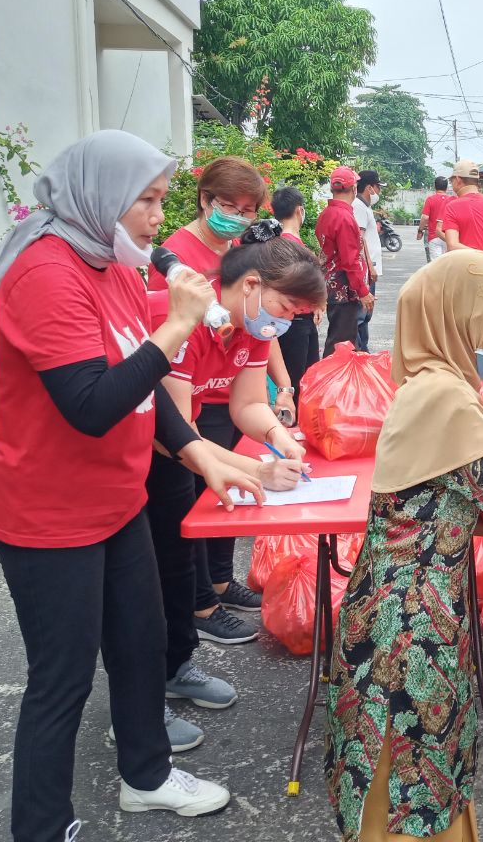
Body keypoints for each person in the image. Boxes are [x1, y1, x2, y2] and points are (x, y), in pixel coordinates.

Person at [0, 130, 263, 840]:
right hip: (49, 517)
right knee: (62, 680)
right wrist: (176, 329)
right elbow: (92, 403)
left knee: (139, 643)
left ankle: (148, 776)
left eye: (162, 199)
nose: (155, 218)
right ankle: (42, 827)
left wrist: (200, 452)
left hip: (117, 501)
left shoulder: (109, 267)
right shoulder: (46, 273)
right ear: (96, 196)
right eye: (145, 200)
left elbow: (145, 395)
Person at [324, 250, 483, 842]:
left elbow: (452, 490)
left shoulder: (427, 381)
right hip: (411, 622)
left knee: (418, 756)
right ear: (456, 317)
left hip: (404, 605)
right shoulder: (446, 395)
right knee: (413, 760)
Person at [145, 218, 324, 748]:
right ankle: (143, 700)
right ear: (252, 286)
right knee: (146, 586)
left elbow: (247, 404)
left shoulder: (247, 328)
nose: (286, 324)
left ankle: (178, 668)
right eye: (286, 310)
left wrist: (279, 437)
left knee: (178, 574)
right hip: (147, 461)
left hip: (185, 460)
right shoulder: (181, 320)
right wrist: (257, 470)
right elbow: (175, 433)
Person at [147, 157, 296, 633]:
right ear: (205, 200)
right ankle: (200, 604)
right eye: (230, 206)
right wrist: (262, 468)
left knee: (226, 494)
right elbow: (172, 337)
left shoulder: (240, 250)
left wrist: (281, 388)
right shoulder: (175, 259)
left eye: (250, 210)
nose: (240, 217)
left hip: (228, 388)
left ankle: (218, 581)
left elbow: (260, 328)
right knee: (191, 497)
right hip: (185, 386)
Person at [272, 185, 324, 396]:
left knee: (301, 380)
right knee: (297, 382)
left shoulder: (278, 243)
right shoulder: (290, 245)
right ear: (299, 210)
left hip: (299, 320)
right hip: (296, 322)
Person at [317, 166, 374, 356]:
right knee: (340, 345)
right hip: (344, 290)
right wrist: (363, 291)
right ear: (354, 189)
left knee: (343, 339)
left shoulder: (327, 214)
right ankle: (331, 382)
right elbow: (350, 261)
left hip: (333, 284)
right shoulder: (344, 218)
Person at [442, 160, 483, 254]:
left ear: (458, 179)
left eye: (451, 180)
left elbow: (452, 246)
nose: (451, 183)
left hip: (464, 267)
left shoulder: (452, 207)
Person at [354, 170, 385, 352]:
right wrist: (369, 267)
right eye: (378, 187)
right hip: (366, 269)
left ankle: (363, 350)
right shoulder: (358, 206)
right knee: (361, 313)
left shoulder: (364, 207)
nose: (378, 192)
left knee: (365, 314)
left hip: (369, 268)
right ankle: (360, 351)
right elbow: (359, 239)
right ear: (369, 188)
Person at [419, 176, 452, 262]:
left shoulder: (430, 199)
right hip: (448, 236)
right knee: (447, 263)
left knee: (436, 265)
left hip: (434, 236)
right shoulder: (451, 200)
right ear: (447, 187)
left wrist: (420, 231)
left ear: (435, 186)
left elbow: (425, 217)